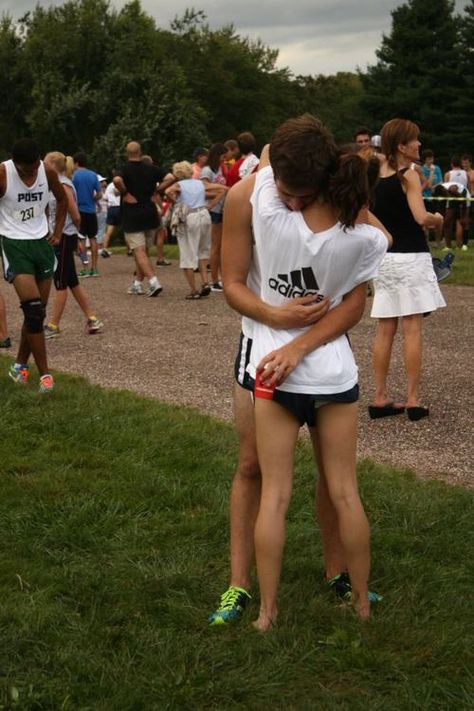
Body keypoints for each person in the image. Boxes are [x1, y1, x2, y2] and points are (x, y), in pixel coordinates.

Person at [219, 115, 390, 631]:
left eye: (301, 196)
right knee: (252, 467)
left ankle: (337, 572)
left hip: (309, 352)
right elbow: (230, 283)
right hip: (260, 342)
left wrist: (301, 342)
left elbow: (354, 302)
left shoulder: (341, 198)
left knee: (330, 476)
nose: (291, 204)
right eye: (286, 194)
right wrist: (277, 318)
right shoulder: (248, 195)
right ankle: (238, 583)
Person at [369, 118, 446, 422]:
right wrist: (437, 219)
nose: (419, 145)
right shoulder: (409, 175)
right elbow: (419, 217)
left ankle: (379, 396)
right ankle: (413, 399)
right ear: (402, 146)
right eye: (415, 140)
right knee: (412, 327)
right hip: (412, 256)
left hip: (385, 258)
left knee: (385, 328)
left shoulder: (376, 174)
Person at [0, 138, 67, 392]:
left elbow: (62, 200)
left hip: (41, 243)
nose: (30, 174)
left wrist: (58, 232)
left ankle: (18, 366)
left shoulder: (46, 170)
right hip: (14, 243)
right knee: (34, 310)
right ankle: (45, 376)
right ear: (15, 164)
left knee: (36, 314)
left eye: (33, 168)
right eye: (25, 171)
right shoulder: (3, 173)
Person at [42, 151, 104, 338]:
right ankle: (92, 318)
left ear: (53, 166)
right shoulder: (55, 184)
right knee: (72, 282)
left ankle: (53, 325)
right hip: (61, 236)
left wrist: (77, 237)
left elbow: (75, 214)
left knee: (60, 282)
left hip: (63, 237)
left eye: (45, 163)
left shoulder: (63, 185)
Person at [113, 141, 168, 297]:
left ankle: (153, 282)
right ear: (140, 152)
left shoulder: (123, 169)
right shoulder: (151, 169)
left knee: (138, 250)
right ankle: (137, 284)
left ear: (126, 153)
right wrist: (157, 190)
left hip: (132, 214)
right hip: (150, 212)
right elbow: (171, 177)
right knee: (143, 251)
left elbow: (117, 181)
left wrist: (125, 193)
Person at [165, 161, 226, 299]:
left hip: (189, 216)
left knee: (187, 252)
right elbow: (223, 189)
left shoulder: (179, 185)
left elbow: (167, 191)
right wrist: (212, 205)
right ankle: (205, 282)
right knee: (203, 251)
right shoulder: (200, 183)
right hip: (204, 214)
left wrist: (176, 201)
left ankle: (193, 290)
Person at [200, 143, 229, 291]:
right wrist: (220, 192)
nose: (224, 160)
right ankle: (214, 280)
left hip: (220, 209)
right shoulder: (207, 170)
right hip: (212, 209)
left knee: (220, 245)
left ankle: (221, 278)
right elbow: (203, 189)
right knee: (215, 246)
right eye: (223, 157)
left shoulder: (220, 170)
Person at [72, 152, 101, 277]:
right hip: (91, 210)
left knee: (82, 239)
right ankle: (94, 268)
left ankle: (85, 267)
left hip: (79, 210)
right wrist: (92, 200)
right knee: (93, 238)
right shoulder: (93, 175)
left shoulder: (74, 176)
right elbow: (99, 194)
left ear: (76, 163)